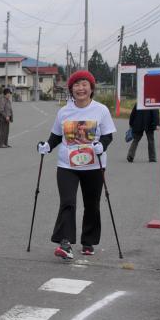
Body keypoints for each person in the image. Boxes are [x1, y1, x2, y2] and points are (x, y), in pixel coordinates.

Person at [36, 70, 116, 260]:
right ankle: (65, 242)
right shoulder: (64, 111)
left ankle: (88, 241)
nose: (80, 88)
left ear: (91, 88)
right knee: (68, 202)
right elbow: (56, 135)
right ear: (71, 89)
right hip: (67, 165)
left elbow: (108, 135)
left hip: (93, 165)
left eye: (84, 84)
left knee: (92, 204)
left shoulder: (101, 110)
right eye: (76, 85)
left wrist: (101, 146)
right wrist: (47, 146)